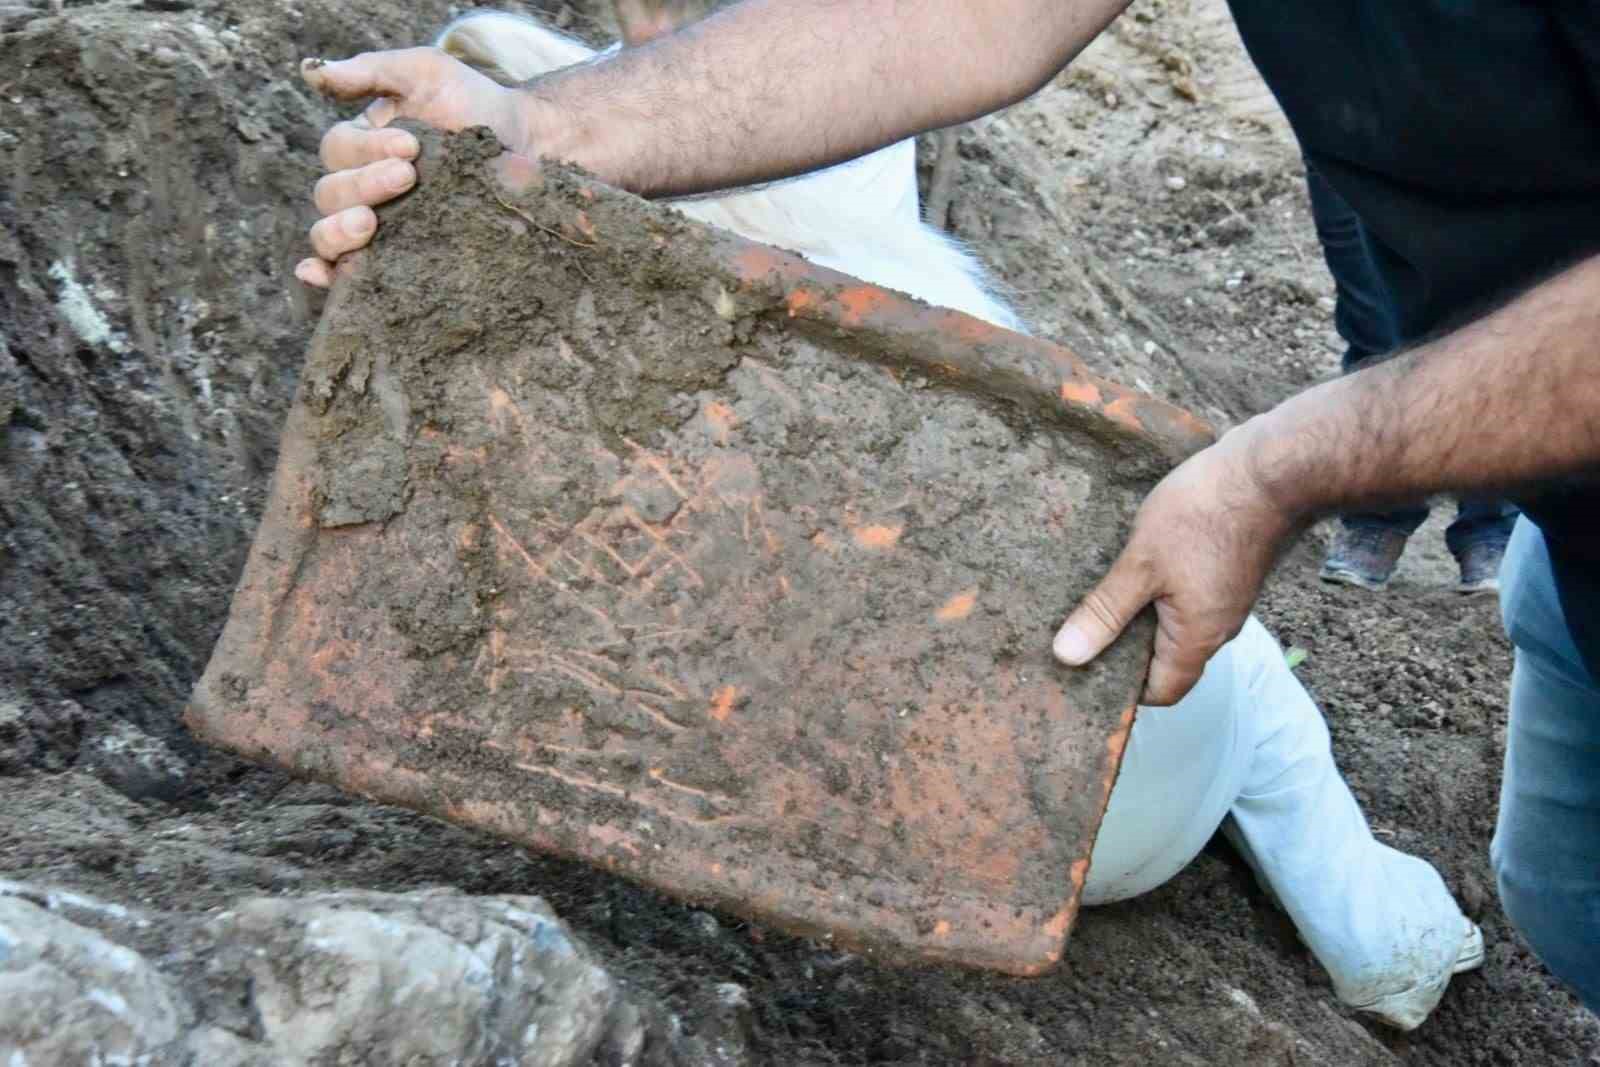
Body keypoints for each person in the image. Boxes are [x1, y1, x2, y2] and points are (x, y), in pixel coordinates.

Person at [292, 0, 1599, 1018]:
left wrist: (1284, 466)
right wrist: (542, 126)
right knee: (1564, 892)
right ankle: (1380, 910)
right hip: (1553, 517)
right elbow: (964, 17)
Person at [1304, 161, 1518, 596]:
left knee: (1489, 297)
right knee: (1373, 314)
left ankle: (1492, 519)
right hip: (1349, 112)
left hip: (1477, 110)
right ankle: (1378, 509)